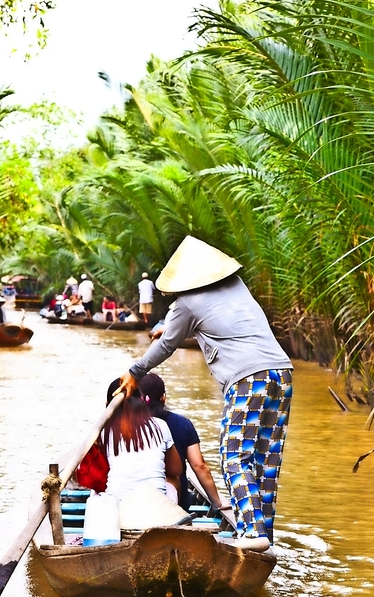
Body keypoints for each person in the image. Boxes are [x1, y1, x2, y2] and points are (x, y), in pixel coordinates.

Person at [118, 236, 293, 552]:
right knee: (265, 459)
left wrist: (135, 371)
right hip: (281, 373)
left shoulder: (186, 304)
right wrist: (169, 327)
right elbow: (216, 322)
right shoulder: (237, 285)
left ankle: (252, 533)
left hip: (247, 378)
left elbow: (168, 344)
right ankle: (263, 534)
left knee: (234, 454)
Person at [138, 372, 224, 512]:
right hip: (177, 500)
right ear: (163, 397)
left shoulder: (127, 426)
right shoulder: (183, 424)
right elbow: (199, 465)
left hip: (136, 497)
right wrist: (216, 503)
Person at [100, 378, 183, 502]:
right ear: (142, 401)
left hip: (118, 502)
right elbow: (176, 469)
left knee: (96, 491)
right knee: (173, 480)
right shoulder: (160, 425)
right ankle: (173, 515)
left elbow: (98, 473)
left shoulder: (103, 432)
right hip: (155, 502)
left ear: (108, 405)